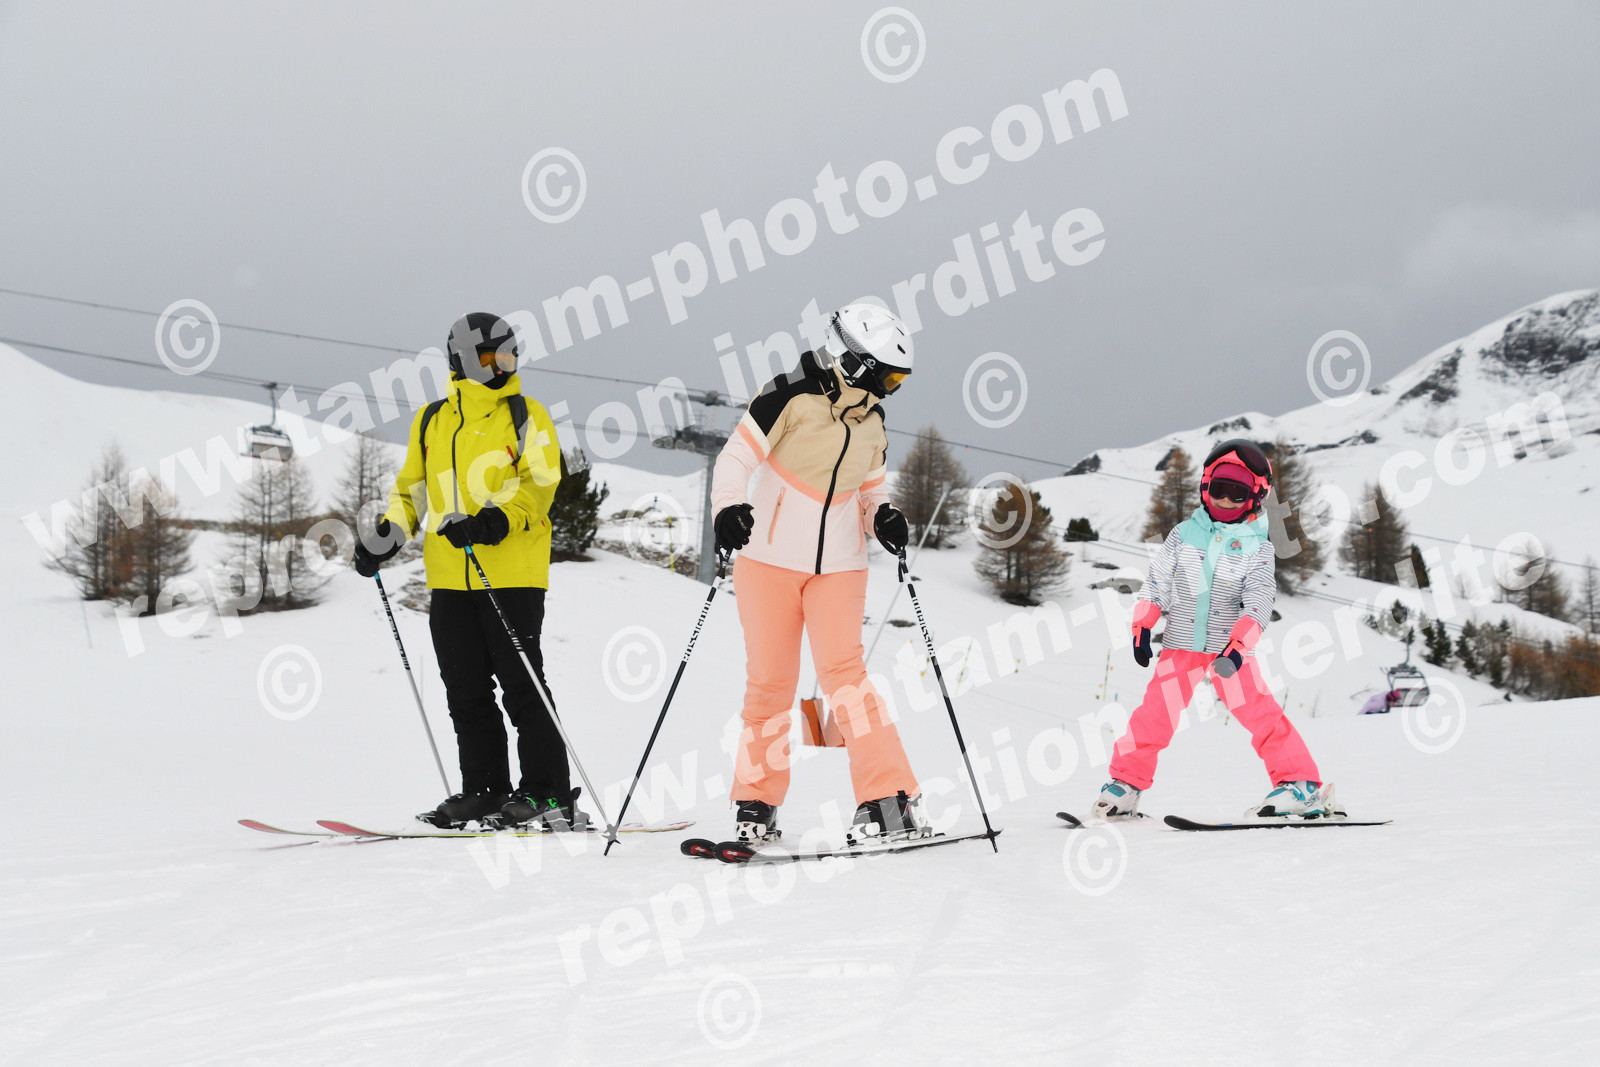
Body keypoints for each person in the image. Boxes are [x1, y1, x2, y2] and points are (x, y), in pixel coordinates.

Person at [353, 312, 580, 830]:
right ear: (463, 359)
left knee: (523, 686)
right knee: (465, 689)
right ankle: (485, 790)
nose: (503, 366)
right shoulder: (432, 420)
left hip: (512, 573)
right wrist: (387, 537)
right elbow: (411, 490)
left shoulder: (526, 415)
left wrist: (492, 521)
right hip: (449, 578)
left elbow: (540, 486)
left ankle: (548, 793)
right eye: (491, 357)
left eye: (509, 356)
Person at [710, 303, 925, 846]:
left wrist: (884, 517)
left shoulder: (872, 420)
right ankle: (756, 802)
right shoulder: (787, 395)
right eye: (887, 377)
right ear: (854, 360)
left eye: (897, 382)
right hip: (767, 560)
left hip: (840, 567)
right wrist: (728, 508)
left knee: (845, 678)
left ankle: (889, 799)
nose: (890, 391)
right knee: (770, 683)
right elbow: (735, 458)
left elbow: (871, 492)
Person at [1091, 439, 1332, 820]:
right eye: (1219, 489)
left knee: (1261, 715)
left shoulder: (1258, 548)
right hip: (1181, 646)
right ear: (1205, 487)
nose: (1225, 500)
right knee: (1153, 717)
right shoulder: (1183, 534)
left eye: (1237, 493)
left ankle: (1299, 785)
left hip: (1228, 652)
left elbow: (1258, 602)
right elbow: (1157, 582)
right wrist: (1143, 624)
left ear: (1256, 497)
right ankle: (1126, 785)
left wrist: (1238, 646)